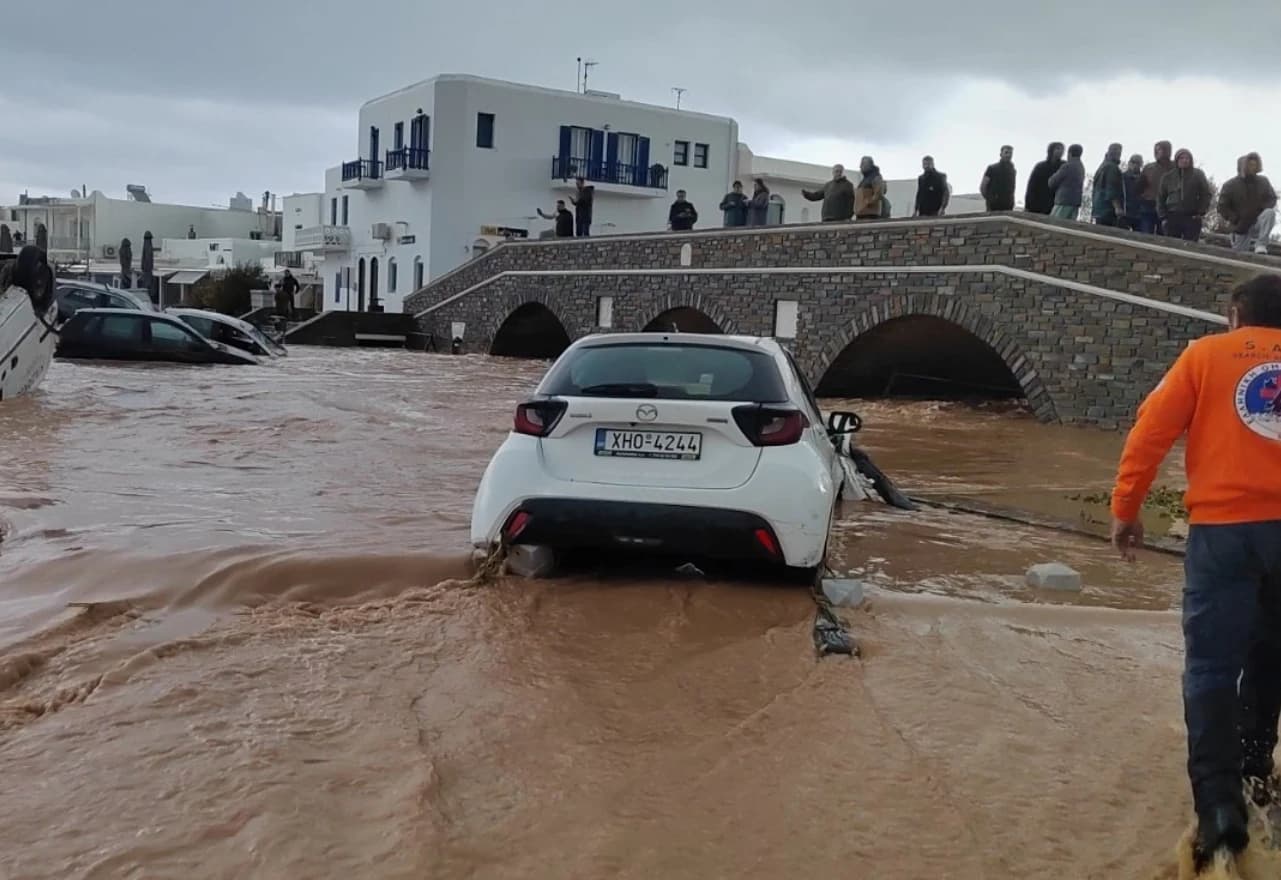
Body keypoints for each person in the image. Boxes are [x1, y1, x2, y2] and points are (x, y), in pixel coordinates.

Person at [1110, 273, 1281, 872]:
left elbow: (1150, 432)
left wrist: (1127, 509)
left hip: (1223, 532)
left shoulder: (1205, 356)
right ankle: (1256, 768)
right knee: (1272, 652)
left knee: (1211, 666)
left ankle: (1219, 808)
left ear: (1235, 315)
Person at [1218, 153, 1277, 255]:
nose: (1253, 167)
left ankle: (1261, 244)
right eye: (1250, 165)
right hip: (1241, 225)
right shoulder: (1230, 185)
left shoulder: (1263, 181)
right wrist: (1235, 219)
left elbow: (1272, 198)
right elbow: (1222, 206)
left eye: (1255, 165)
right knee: (1239, 254)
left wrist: (1260, 210)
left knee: (1269, 213)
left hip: (1257, 221)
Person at [1158, 149, 1212, 242]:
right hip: (1172, 216)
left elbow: (1206, 194)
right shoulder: (1168, 177)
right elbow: (1160, 198)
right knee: (1172, 244)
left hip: (1192, 216)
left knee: (1191, 245)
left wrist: (1201, 212)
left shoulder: (1198, 174)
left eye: (1187, 158)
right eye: (1181, 158)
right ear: (1177, 160)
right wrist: (1163, 217)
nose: (1184, 160)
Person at [1137, 141, 1175, 235]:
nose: (1158, 152)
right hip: (1148, 205)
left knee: (1163, 235)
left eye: (1161, 150)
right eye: (1156, 150)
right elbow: (1138, 187)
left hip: (1167, 206)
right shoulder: (1149, 168)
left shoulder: (1175, 168)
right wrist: (1142, 198)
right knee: (1145, 233)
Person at [1025, 142, 1066, 215]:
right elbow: (1031, 185)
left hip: (1055, 203)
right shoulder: (1040, 166)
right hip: (1038, 202)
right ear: (1051, 150)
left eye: (1063, 150)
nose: (1061, 151)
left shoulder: (1064, 166)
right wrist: (1028, 204)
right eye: (1058, 148)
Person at [1091, 143, 1126, 227]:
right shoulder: (1112, 167)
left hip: (1098, 208)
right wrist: (1117, 207)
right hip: (1108, 209)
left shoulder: (1101, 167)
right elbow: (1111, 188)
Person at [1048, 144, 1086, 220]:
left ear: (1069, 153)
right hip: (1075, 203)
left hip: (1063, 201)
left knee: (1054, 223)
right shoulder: (1081, 167)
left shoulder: (1067, 166)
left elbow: (1052, 182)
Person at [980, 145, 1017, 212]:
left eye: (1010, 153)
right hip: (993, 206)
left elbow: (1012, 188)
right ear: (1001, 154)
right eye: (1006, 152)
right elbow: (983, 186)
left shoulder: (1013, 171)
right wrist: (990, 199)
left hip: (1008, 206)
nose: (1008, 155)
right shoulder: (992, 168)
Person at [854, 156, 886, 220]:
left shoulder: (875, 177)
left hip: (869, 214)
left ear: (869, 165)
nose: (860, 166)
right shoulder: (865, 179)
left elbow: (879, 193)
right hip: (862, 213)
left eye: (862, 164)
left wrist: (868, 202)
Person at [1120, 154, 1145, 230]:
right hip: (1125, 212)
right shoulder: (1122, 177)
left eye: (1138, 163)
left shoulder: (1144, 178)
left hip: (1139, 213)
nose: (1136, 165)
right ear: (1129, 163)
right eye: (1134, 162)